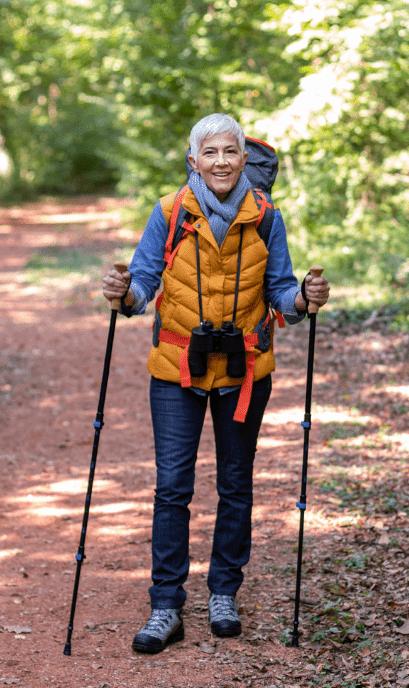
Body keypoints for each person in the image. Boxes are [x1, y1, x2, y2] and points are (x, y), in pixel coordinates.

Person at [100, 113, 330, 654]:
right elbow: (142, 281)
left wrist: (303, 300)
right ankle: (165, 606)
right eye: (211, 153)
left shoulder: (267, 218)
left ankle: (224, 592)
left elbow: (280, 292)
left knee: (236, 484)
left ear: (244, 159)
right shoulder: (169, 212)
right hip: (176, 370)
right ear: (193, 161)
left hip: (245, 370)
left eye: (231, 152)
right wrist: (123, 294)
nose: (222, 161)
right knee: (172, 486)